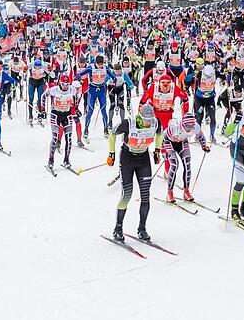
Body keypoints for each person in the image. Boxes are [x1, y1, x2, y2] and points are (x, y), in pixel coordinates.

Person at [107, 103, 162, 242]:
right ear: (140, 117)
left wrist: (157, 149)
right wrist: (111, 153)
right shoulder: (129, 123)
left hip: (143, 159)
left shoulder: (155, 123)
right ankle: (118, 229)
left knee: (145, 195)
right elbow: (112, 133)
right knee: (127, 194)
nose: (148, 123)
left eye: (150, 120)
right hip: (127, 158)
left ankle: (142, 229)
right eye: (145, 120)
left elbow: (159, 133)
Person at [163, 114, 208, 204]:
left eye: (191, 126)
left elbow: (201, 136)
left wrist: (204, 146)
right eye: (187, 126)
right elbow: (163, 139)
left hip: (182, 142)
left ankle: (186, 191)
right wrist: (164, 152)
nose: (189, 128)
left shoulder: (195, 126)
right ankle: (169, 192)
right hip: (169, 143)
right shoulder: (174, 126)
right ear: (183, 124)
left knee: (187, 165)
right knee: (175, 165)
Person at [77, 54, 118, 139]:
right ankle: (86, 129)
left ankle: (106, 128)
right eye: (99, 64)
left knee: (103, 110)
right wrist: (79, 80)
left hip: (102, 89)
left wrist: (114, 83)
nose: (100, 66)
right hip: (92, 89)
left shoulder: (105, 68)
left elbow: (114, 77)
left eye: (101, 64)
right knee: (90, 110)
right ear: (96, 63)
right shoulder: (90, 67)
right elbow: (78, 74)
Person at [47, 73, 80, 170]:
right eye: (63, 84)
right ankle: (51, 160)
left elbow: (75, 101)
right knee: (55, 137)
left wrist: (76, 110)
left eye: (67, 84)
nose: (65, 86)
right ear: (60, 83)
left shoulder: (73, 90)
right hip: (55, 114)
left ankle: (66, 160)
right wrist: (42, 110)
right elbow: (43, 96)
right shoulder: (54, 90)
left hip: (67, 115)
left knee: (69, 139)